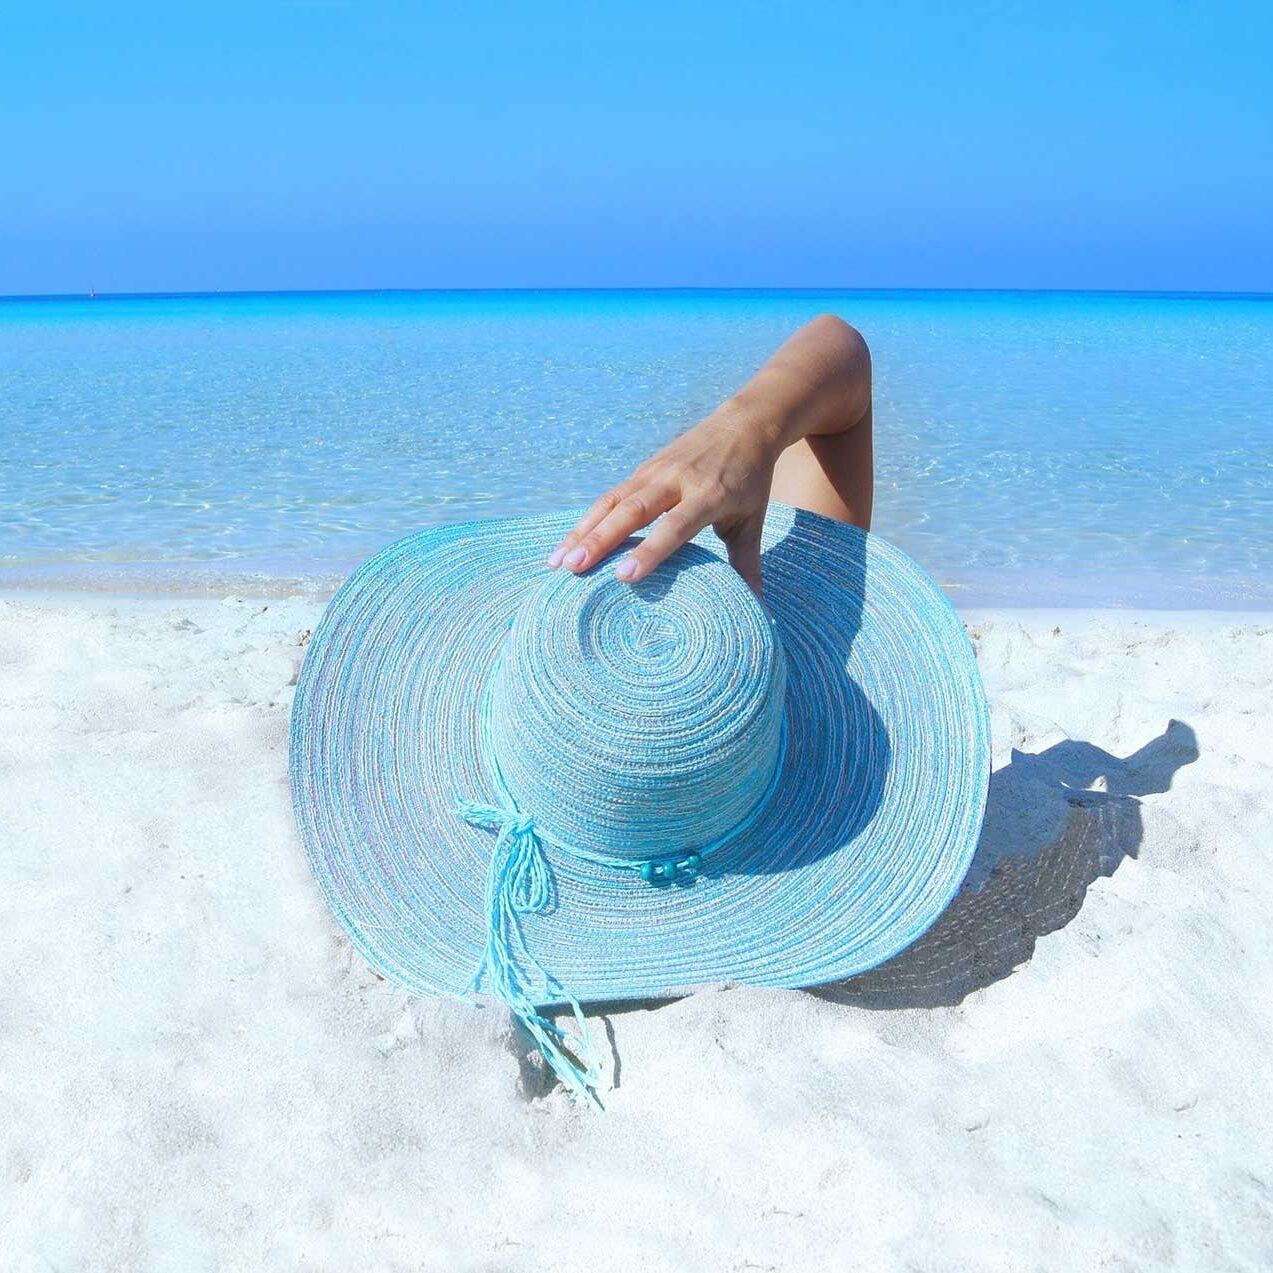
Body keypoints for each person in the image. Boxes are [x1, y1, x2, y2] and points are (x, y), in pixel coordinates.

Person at [545, 314, 873, 597]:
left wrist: (742, 428)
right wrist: (745, 430)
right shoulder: (811, 605)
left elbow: (838, 343)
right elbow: (841, 345)